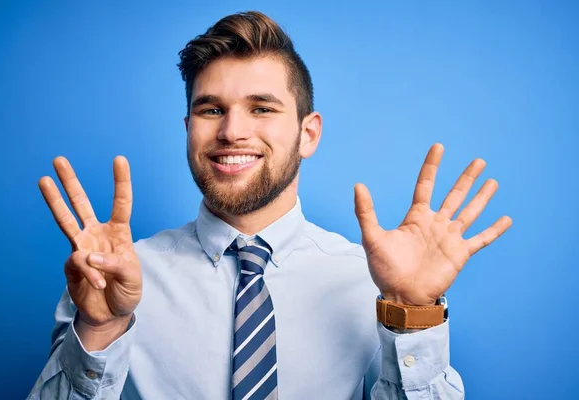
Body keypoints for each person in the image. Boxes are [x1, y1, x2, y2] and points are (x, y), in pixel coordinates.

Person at [28, 11, 511, 400]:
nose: (232, 131)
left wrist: (412, 312)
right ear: (188, 127)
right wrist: (100, 329)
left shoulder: (372, 283)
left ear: (309, 133)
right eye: (211, 108)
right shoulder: (112, 279)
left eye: (261, 108)